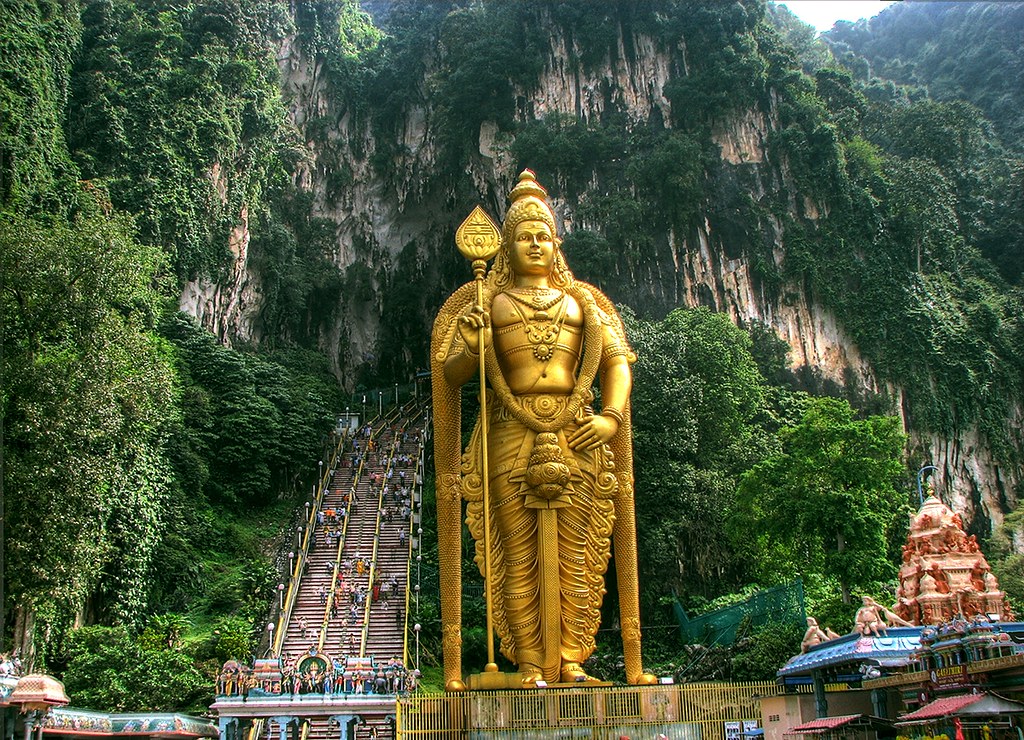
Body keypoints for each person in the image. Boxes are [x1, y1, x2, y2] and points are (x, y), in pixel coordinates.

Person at [432, 170, 653, 688]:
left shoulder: (585, 305)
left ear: (557, 245)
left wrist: (610, 416)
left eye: (542, 236)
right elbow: (452, 374)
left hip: (578, 429)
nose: (534, 244)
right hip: (509, 430)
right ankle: (531, 663)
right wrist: (470, 343)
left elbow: (618, 362)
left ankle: (572, 660)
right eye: (523, 236)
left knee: (579, 552)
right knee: (518, 552)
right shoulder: (487, 304)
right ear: (506, 246)